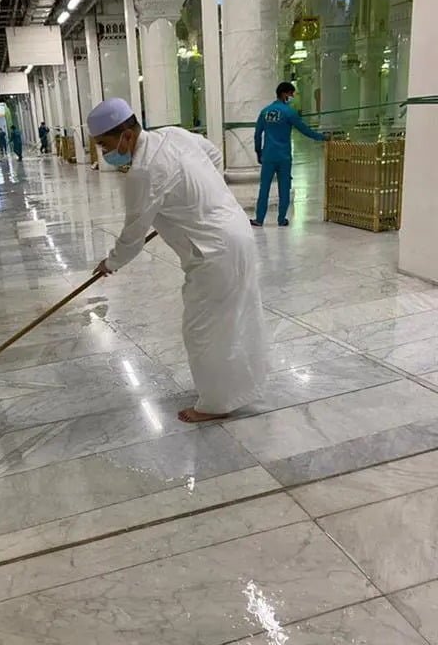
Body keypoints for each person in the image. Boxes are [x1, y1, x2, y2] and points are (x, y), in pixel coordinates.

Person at [88, 98, 267, 424]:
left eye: (105, 144)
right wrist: (195, 196)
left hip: (214, 252)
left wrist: (110, 263)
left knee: (202, 329)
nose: (104, 154)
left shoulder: (142, 172)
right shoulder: (173, 135)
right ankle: (237, 388)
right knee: (234, 318)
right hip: (236, 231)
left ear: (127, 135)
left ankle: (215, 404)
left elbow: (133, 235)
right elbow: (212, 154)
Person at [251, 81, 328, 228]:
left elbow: (257, 134)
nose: (292, 96)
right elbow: (304, 130)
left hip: (268, 155)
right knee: (284, 188)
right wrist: (322, 137)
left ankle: (259, 219)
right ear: (284, 93)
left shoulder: (265, 112)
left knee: (264, 187)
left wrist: (258, 152)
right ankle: (281, 219)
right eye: (291, 93)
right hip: (284, 157)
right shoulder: (289, 113)